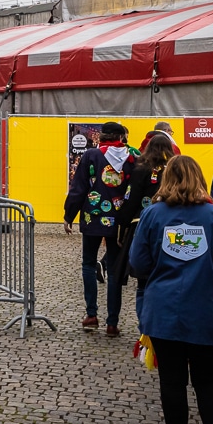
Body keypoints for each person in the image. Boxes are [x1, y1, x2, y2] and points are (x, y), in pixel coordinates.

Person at [129, 155, 213, 424]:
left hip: (165, 310)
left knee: (172, 382)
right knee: (210, 383)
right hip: (207, 310)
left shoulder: (152, 215)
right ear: (200, 179)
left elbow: (138, 263)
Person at [63, 121, 134, 336]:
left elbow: (78, 188)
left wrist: (69, 215)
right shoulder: (132, 158)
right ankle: (112, 323)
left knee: (88, 263)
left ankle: (91, 314)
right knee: (113, 270)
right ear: (122, 138)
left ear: (102, 137)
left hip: (93, 217)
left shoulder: (91, 156)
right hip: (119, 220)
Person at [115, 133, 173, 332]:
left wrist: (122, 225)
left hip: (142, 224)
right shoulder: (173, 170)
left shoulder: (140, 170)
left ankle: (145, 327)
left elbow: (131, 199)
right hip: (170, 225)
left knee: (142, 279)